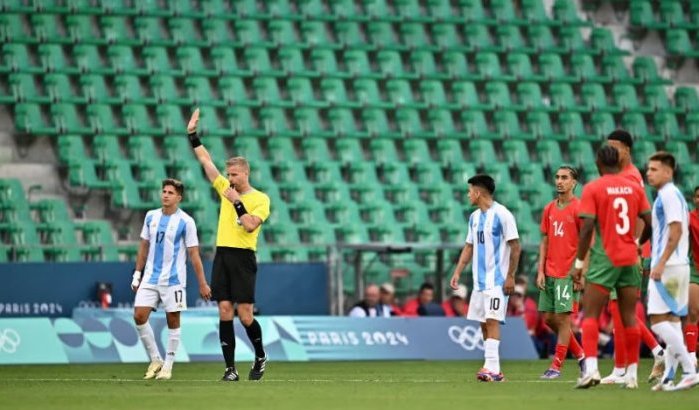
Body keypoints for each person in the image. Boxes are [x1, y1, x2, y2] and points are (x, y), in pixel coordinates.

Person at [186, 109, 271, 382]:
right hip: (223, 254)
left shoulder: (260, 199)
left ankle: (259, 355)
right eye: (228, 174)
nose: (230, 178)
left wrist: (235, 201)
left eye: (234, 174)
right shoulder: (224, 187)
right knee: (224, 309)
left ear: (246, 173)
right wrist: (192, 135)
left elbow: (249, 224)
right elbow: (205, 161)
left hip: (243, 257)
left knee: (245, 314)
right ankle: (230, 369)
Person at [572, 145, 652, 389]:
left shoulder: (593, 188)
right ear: (619, 162)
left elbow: (586, 229)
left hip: (605, 258)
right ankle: (632, 376)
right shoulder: (634, 188)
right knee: (630, 316)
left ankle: (592, 370)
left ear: (598, 163)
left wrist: (579, 262)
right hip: (630, 257)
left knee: (591, 314)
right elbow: (649, 222)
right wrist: (638, 244)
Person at [131, 178, 211, 380]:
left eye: (170, 192)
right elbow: (143, 247)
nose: (165, 195)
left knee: (173, 320)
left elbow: (194, 254)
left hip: (173, 279)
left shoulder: (186, 221)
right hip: (150, 277)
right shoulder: (150, 217)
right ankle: (155, 359)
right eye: (164, 191)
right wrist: (137, 273)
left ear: (179, 197)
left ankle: (168, 366)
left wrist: (202, 283)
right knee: (139, 316)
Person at [603, 130, 665, 384]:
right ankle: (620, 368)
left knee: (623, 309)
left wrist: (638, 247)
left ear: (627, 149)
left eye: (616, 147)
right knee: (617, 308)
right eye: (609, 147)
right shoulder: (619, 175)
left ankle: (654, 353)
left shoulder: (630, 177)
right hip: (619, 249)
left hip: (631, 251)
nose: (612, 151)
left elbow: (641, 216)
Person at [450, 174, 520, 382]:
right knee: (483, 323)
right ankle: (494, 370)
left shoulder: (503, 214)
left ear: (478, 192)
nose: (468, 194)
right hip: (478, 282)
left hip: (497, 281)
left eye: (470, 190)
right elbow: (469, 246)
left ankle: (490, 367)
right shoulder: (474, 217)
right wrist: (457, 271)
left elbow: (515, 247)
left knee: (492, 320)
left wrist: (510, 277)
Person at [645, 152, 698, 391]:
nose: (649, 173)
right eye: (648, 169)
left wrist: (660, 263)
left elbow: (675, 231)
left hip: (669, 267)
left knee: (657, 322)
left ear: (668, 172)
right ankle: (669, 376)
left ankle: (689, 369)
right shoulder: (671, 194)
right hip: (677, 266)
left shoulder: (667, 195)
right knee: (674, 321)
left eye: (654, 169)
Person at [536, 165, 586, 379]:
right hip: (549, 271)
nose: (559, 181)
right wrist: (540, 270)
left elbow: (587, 242)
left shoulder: (580, 208)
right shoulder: (549, 208)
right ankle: (582, 356)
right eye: (557, 177)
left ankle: (556, 365)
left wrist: (581, 272)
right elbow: (544, 240)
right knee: (549, 319)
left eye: (565, 177)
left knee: (564, 320)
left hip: (568, 272)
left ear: (574, 182)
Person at [686, 186, 699, 368]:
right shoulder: (689, 218)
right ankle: (690, 356)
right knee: (693, 312)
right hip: (694, 270)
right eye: (697, 196)